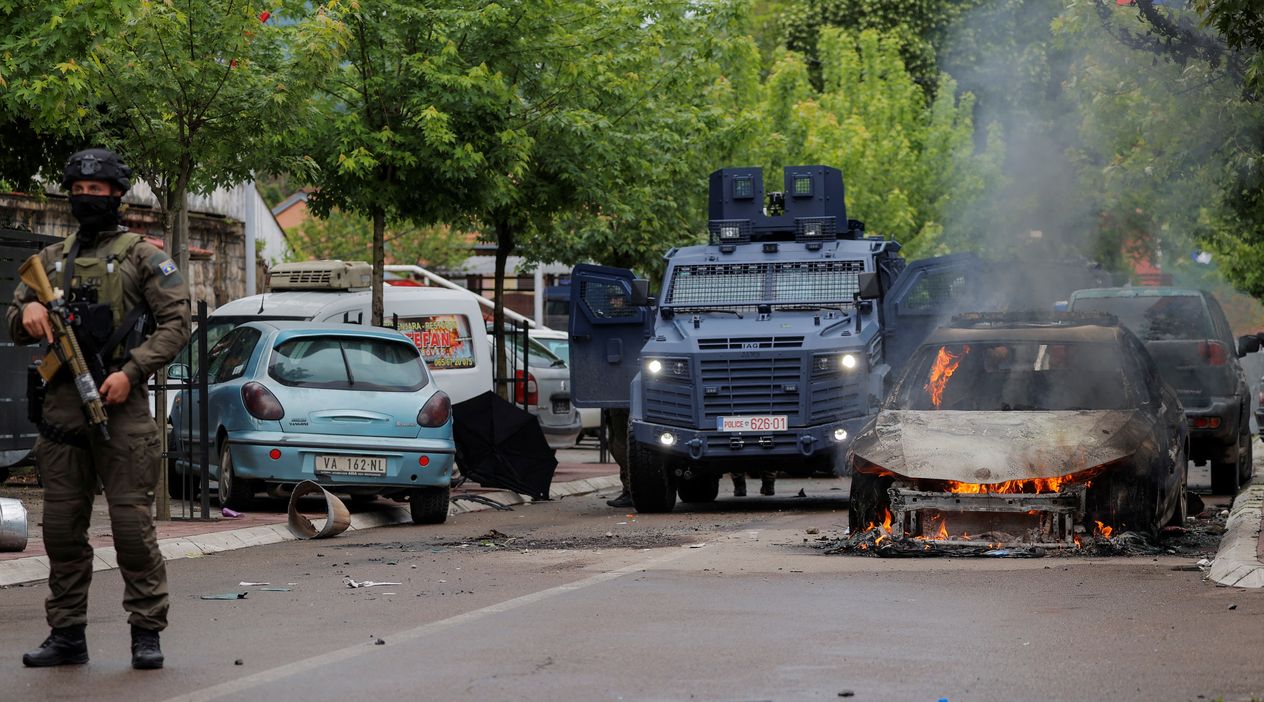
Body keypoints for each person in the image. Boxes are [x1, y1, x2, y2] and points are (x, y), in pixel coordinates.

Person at [7, 148, 191, 670]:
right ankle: (66, 635)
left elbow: (176, 325)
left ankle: (145, 634)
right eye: (80, 191)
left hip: (122, 408)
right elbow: (13, 322)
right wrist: (31, 310)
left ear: (117, 194)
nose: (88, 199)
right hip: (63, 414)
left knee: (133, 530)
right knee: (62, 532)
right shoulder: (50, 261)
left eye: (98, 191)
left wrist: (130, 372)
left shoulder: (143, 256)